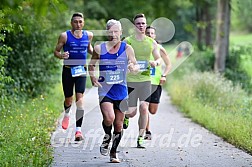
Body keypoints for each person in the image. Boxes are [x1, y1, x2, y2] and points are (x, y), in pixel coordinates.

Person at [88, 19, 138, 163]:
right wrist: (92, 78)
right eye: (111, 32)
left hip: (121, 90)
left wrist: (132, 68)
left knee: (118, 124)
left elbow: (135, 65)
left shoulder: (127, 48)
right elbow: (91, 66)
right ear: (107, 33)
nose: (114, 34)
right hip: (105, 90)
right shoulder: (99, 48)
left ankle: (113, 151)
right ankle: (107, 136)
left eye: (116, 31)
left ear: (121, 33)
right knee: (109, 118)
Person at [123, 13, 161, 148]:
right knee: (132, 112)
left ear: (146, 25)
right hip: (131, 80)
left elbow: (158, 59)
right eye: (138, 23)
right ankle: (126, 117)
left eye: (143, 23)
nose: (141, 25)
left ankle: (140, 137)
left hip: (145, 79)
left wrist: (155, 63)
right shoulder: (128, 41)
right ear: (134, 25)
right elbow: (121, 58)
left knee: (144, 108)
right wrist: (128, 65)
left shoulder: (151, 42)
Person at [54, 12, 93, 141]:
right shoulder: (64, 36)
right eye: (75, 21)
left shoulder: (89, 35)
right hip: (68, 71)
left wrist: (98, 54)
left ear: (84, 23)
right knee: (68, 100)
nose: (78, 24)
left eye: (80, 21)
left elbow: (89, 49)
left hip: (81, 71)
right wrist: (61, 55)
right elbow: (56, 51)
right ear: (71, 23)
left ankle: (78, 131)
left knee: (80, 101)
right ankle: (67, 113)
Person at [144, 26, 172, 140]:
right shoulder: (140, 48)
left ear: (154, 36)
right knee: (144, 108)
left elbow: (169, 64)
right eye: (148, 33)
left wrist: (164, 75)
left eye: (152, 33)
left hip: (156, 82)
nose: (150, 35)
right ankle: (146, 131)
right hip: (143, 81)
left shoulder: (159, 48)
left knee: (152, 110)